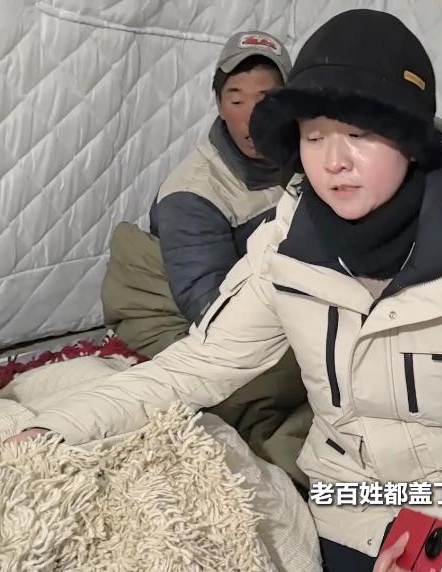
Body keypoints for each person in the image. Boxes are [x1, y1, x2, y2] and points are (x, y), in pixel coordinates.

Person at [8, 9, 442, 572]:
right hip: (347, 499)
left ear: (410, 137)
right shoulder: (284, 247)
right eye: (314, 136)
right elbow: (199, 364)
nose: (334, 161)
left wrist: (439, 538)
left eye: (359, 134)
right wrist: (58, 427)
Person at [98, 30, 313, 488]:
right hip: (189, 314)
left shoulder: (306, 157)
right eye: (236, 99)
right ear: (218, 105)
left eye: (267, 99)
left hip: (267, 299)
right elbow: (211, 310)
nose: (251, 115)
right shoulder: (193, 194)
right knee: (275, 382)